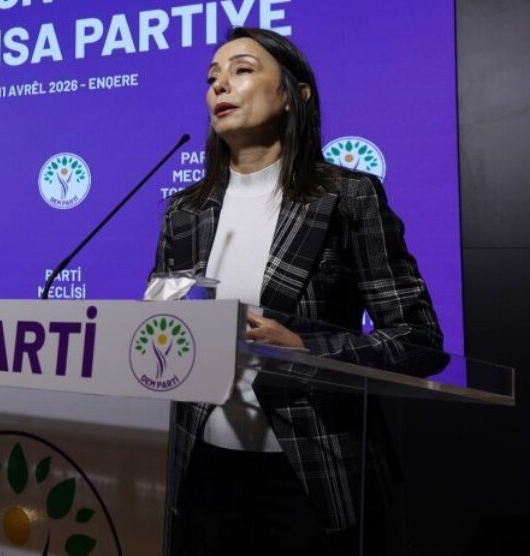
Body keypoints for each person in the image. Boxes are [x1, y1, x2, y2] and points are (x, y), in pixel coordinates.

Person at [150, 27, 443, 554]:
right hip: (203, 473)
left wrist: (307, 349)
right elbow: (164, 323)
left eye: (242, 70)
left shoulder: (347, 197)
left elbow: (417, 338)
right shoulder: (185, 211)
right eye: (212, 78)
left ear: (293, 94)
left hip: (313, 472)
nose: (220, 86)